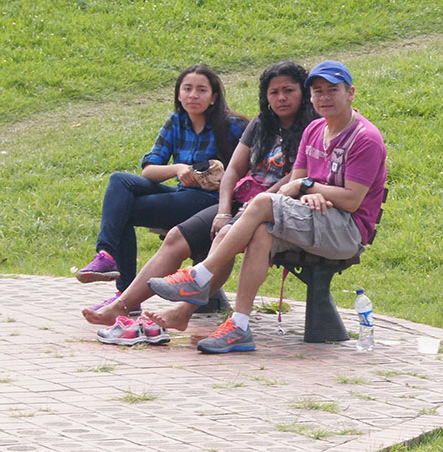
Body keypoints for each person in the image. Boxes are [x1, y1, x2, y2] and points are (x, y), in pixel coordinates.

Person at [149, 60, 387, 354]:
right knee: (261, 230)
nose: (324, 97)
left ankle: (199, 276)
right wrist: (308, 189)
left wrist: (310, 187)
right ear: (311, 97)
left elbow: (350, 200)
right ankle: (238, 326)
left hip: (345, 231)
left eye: (332, 90)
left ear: (350, 93)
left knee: (262, 202)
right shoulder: (314, 129)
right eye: (318, 91)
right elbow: (293, 185)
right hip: (313, 216)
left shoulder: (365, 139)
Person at [83, 62, 318, 339]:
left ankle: (181, 312)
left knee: (224, 238)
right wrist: (221, 210)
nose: (280, 98)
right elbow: (233, 170)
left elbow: (294, 176)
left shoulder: (310, 129)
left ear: (303, 93)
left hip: (273, 209)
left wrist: (252, 205)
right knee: (175, 237)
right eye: (273, 92)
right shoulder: (260, 124)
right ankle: (120, 305)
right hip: (234, 203)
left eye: (288, 91)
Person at [74, 65, 247, 303]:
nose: (193, 95)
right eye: (187, 89)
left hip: (212, 202)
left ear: (214, 96)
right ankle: (105, 255)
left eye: (201, 90)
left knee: (124, 211)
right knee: (119, 180)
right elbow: (149, 170)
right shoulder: (177, 121)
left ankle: (124, 295)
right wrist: (177, 168)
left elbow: (248, 168)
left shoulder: (233, 126)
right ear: (178, 94)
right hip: (181, 194)